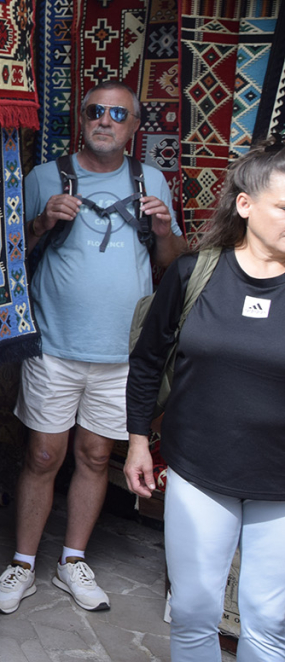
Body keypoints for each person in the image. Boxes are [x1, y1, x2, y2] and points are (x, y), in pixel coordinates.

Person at [0, 81, 186, 615]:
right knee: (42, 455)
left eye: (118, 114)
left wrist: (164, 228)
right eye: (96, 111)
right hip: (55, 345)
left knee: (97, 456)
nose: (105, 120)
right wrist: (41, 222)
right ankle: (23, 564)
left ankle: (73, 561)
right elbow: (8, 255)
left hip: (121, 352)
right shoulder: (44, 177)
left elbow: (173, 261)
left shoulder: (150, 180)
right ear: (82, 119)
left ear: (134, 127)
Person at [124, 138, 285, 661]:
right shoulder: (194, 273)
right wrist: (138, 441)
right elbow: (148, 360)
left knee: (269, 624)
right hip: (198, 470)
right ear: (246, 204)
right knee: (193, 612)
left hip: (280, 484)